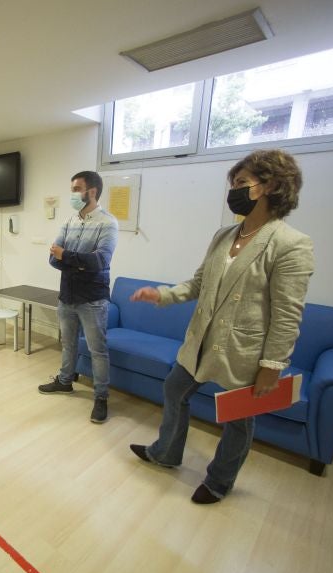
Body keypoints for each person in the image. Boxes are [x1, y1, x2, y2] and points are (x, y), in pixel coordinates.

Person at [128, 149, 314, 504]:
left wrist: (273, 365)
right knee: (174, 389)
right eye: (234, 183)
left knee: (238, 420)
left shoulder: (291, 244)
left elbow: (288, 314)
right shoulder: (224, 235)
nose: (234, 190)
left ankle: (219, 481)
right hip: (200, 341)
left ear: (271, 185)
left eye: (242, 183)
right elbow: (199, 283)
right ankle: (165, 452)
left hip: (243, 351)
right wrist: (162, 295)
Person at [38, 171, 119, 423]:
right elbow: (53, 258)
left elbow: (100, 260)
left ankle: (101, 397)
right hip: (67, 296)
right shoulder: (69, 221)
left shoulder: (108, 223)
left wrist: (67, 256)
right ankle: (64, 381)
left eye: (76, 189)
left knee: (98, 350)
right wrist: (76, 261)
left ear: (91, 191)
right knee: (68, 343)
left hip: (92, 299)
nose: (73, 194)